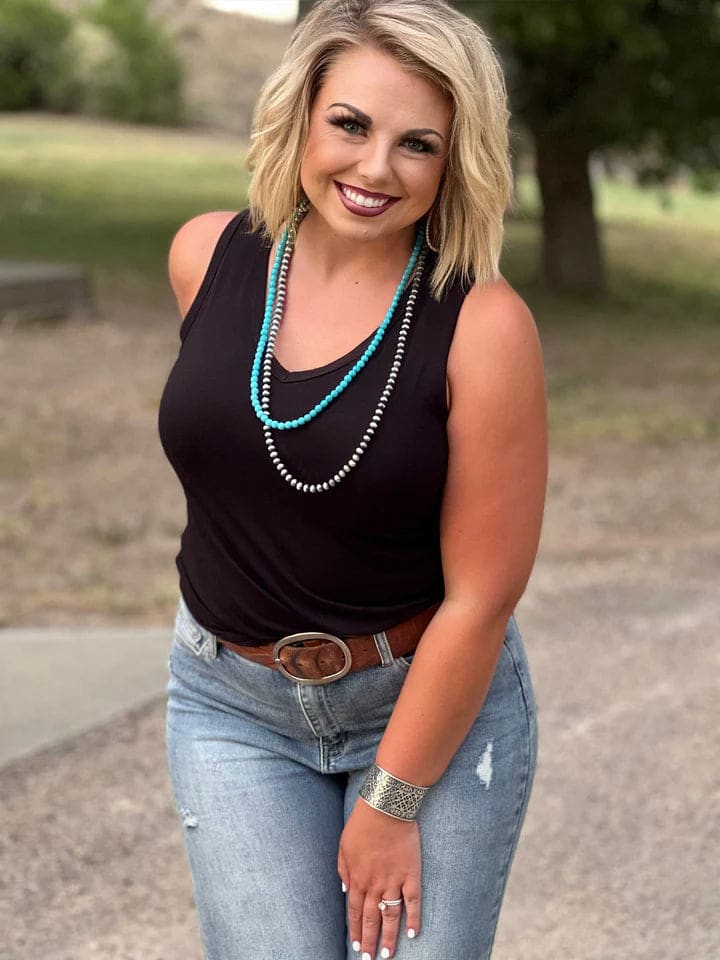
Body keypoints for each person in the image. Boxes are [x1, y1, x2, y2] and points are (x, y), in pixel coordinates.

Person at [158, 0, 547, 957]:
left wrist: (392, 800)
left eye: (418, 144)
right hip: (230, 706)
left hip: (422, 707)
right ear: (301, 114)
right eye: (350, 124)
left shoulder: (484, 325)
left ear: (455, 162)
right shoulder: (205, 255)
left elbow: (483, 598)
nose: (376, 169)